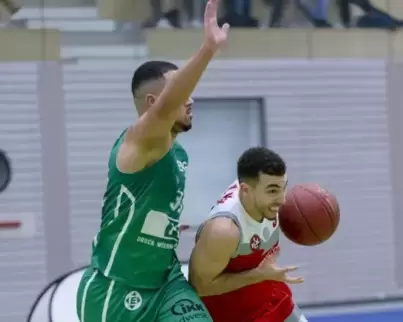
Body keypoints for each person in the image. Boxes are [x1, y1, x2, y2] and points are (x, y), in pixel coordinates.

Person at [76, 1, 229, 321]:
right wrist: (207, 50)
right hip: (115, 289)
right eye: (179, 91)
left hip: (167, 284)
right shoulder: (139, 140)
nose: (190, 100)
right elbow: (168, 104)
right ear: (152, 102)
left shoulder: (179, 152)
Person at [189, 147, 308, 322]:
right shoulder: (223, 231)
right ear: (245, 190)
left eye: (284, 188)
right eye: (273, 190)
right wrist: (259, 275)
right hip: (232, 315)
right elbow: (199, 287)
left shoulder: (264, 197)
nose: (283, 200)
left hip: (272, 299)